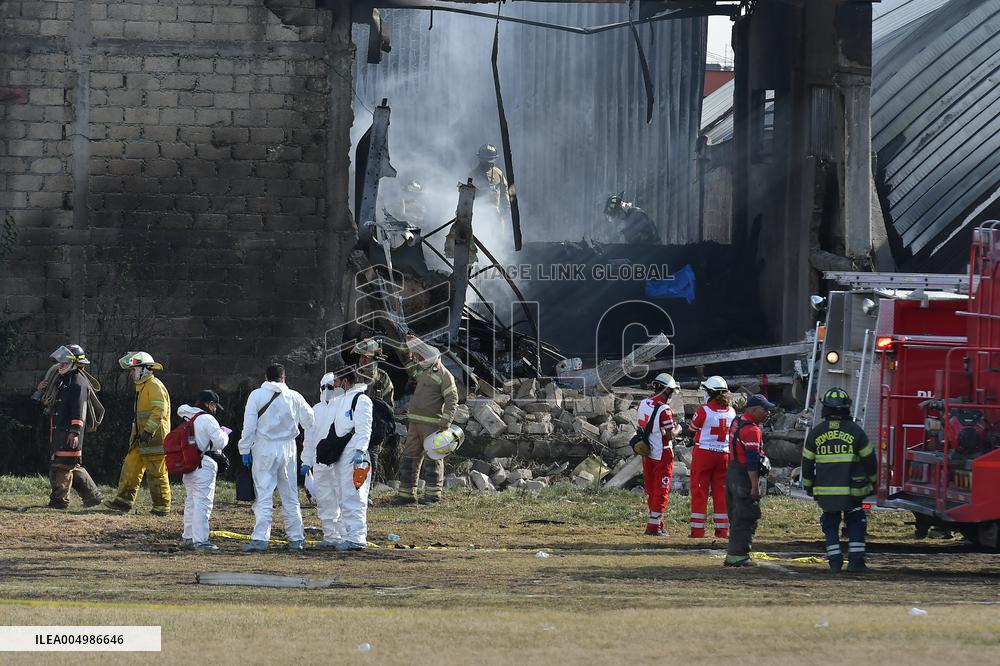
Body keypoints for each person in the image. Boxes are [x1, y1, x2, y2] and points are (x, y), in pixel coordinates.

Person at [238, 363, 314, 552]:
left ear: (266, 376)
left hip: (264, 447)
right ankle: (297, 539)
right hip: (288, 447)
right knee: (290, 495)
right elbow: (310, 420)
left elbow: (249, 426)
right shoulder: (294, 396)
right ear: (284, 377)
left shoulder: (257, 395)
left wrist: (244, 449)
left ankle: (260, 539)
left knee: (264, 495)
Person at [802, 388, 877, 573]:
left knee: (830, 524)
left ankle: (834, 562)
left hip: (826, 492)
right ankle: (856, 563)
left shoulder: (816, 433)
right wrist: (873, 481)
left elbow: (806, 463)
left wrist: (809, 487)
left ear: (825, 409)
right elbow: (870, 460)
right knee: (856, 522)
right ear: (846, 408)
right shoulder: (855, 431)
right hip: (852, 492)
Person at [301, 367, 374, 551]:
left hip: (355, 456)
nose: (331, 388)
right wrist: (308, 459)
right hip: (340, 458)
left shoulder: (360, 400)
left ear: (345, 381)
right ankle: (340, 536)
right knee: (342, 498)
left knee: (353, 497)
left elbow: (364, 428)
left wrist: (360, 451)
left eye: (334, 384)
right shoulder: (338, 403)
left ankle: (356, 537)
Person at [391, 336, 458, 506]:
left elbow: (452, 399)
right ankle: (406, 495)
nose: (418, 360)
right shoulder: (421, 372)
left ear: (428, 357)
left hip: (433, 425)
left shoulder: (444, 375)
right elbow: (409, 365)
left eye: (420, 357)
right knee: (408, 458)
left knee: (433, 460)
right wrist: (406, 346)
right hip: (414, 424)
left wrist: (446, 420)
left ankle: (433, 496)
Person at [106, 352, 172, 515]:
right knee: (130, 467)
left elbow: (159, 411)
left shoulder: (154, 385)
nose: (130, 374)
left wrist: (148, 431)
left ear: (143, 370)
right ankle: (123, 502)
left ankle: (161, 507)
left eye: (133, 370)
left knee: (156, 473)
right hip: (140, 439)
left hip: (154, 439)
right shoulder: (142, 387)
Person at [43, 345, 103, 509]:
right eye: (60, 361)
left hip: (69, 433)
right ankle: (93, 497)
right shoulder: (65, 380)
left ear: (75, 363)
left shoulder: (77, 383)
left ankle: (59, 502)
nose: (60, 364)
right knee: (71, 465)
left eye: (65, 361)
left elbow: (79, 410)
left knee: (60, 466)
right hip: (61, 432)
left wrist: (75, 432)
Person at [724, 393, 775, 567]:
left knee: (736, 515)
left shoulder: (737, 421)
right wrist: (755, 485)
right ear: (753, 409)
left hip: (732, 472)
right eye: (764, 409)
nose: (767, 413)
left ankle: (735, 553)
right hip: (744, 476)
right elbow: (752, 461)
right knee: (746, 515)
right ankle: (738, 556)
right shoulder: (752, 430)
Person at [178, 390, 230, 551]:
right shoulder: (208, 419)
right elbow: (220, 443)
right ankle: (201, 541)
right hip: (204, 464)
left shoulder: (187, 415)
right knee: (203, 503)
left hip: (188, 464)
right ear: (209, 404)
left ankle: (188, 537)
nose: (215, 409)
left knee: (191, 501)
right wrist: (223, 433)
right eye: (214, 406)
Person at [688, 376, 736, 539]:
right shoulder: (732, 411)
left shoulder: (704, 410)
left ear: (710, 392)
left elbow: (693, 427)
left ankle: (697, 531)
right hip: (724, 455)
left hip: (704, 453)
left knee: (699, 490)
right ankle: (722, 531)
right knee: (722, 492)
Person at [635, 373, 682, 536]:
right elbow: (670, 435)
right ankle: (653, 527)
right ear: (666, 390)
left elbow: (641, 426)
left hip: (647, 454)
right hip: (663, 454)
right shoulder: (664, 410)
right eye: (671, 392)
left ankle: (657, 522)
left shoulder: (642, 403)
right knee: (661, 492)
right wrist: (678, 429)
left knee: (652, 491)